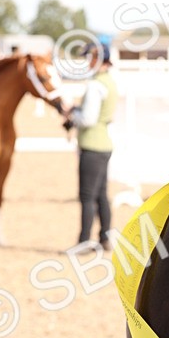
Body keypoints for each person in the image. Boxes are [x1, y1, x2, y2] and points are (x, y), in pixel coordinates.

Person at [64, 40, 117, 250]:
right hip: (104, 143)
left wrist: (72, 112)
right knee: (101, 194)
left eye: (88, 58)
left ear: (96, 59)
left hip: (92, 145)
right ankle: (104, 237)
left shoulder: (95, 85)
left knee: (87, 196)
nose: (86, 63)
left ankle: (84, 241)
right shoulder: (109, 81)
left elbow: (87, 118)